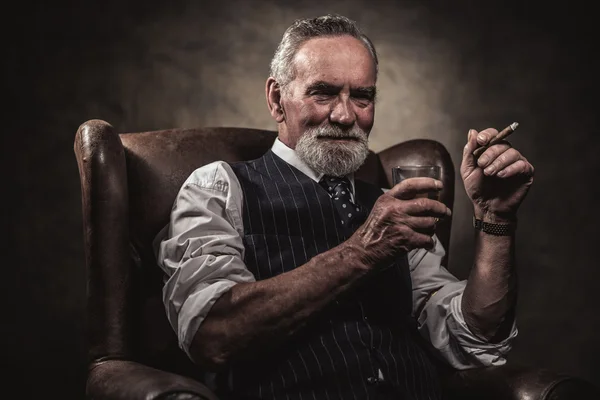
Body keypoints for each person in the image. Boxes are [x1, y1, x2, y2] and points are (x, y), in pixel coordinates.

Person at [154, 14, 534, 400]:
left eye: (362, 97)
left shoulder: (390, 206)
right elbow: (212, 334)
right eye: (323, 93)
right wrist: (363, 251)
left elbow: (473, 341)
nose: (345, 116)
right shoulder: (218, 187)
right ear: (276, 99)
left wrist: (495, 220)